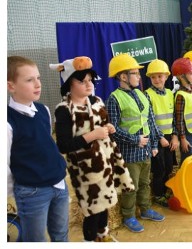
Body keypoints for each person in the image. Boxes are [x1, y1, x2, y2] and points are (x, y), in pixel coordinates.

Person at [55, 57, 133, 242]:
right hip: (84, 169)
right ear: (69, 84)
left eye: (90, 80)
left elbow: (103, 125)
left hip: (105, 162)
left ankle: (102, 235)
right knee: (92, 209)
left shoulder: (97, 101)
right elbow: (64, 145)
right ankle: (89, 241)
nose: (88, 84)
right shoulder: (64, 110)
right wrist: (93, 135)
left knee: (105, 203)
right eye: (82, 81)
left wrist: (109, 129)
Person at [7, 56, 70, 242]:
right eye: (29, 80)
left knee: (61, 234)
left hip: (59, 184)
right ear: (11, 86)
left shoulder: (43, 110)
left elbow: (45, 144)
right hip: (32, 192)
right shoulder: (8, 121)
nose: (38, 84)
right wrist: (16, 191)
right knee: (35, 239)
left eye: (38, 78)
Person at [105, 54, 165, 233]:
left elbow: (150, 121)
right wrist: (135, 140)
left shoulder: (141, 93)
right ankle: (128, 216)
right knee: (130, 186)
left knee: (145, 183)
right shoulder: (114, 99)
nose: (139, 76)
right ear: (123, 77)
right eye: (135, 73)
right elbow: (112, 129)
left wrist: (154, 144)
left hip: (146, 151)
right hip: (129, 153)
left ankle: (145, 210)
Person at [144, 59, 177, 207]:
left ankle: (165, 190)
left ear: (166, 76)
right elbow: (149, 120)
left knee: (169, 166)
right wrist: (160, 137)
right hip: (156, 138)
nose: (157, 79)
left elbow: (175, 117)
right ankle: (158, 195)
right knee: (159, 168)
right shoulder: (147, 95)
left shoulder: (170, 93)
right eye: (153, 77)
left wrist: (175, 136)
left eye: (160, 76)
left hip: (170, 137)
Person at [171, 58, 192, 163]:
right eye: (191, 73)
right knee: (188, 160)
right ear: (182, 76)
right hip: (189, 134)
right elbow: (179, 120)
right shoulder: (180, 95)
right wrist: (182, 138)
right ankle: (185, 178)